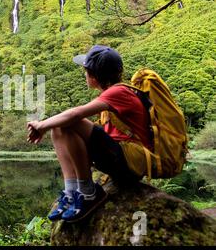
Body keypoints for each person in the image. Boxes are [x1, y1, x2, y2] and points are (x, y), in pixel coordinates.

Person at [27, 45, 152, 223]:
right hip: (121, 161)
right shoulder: (112, 94)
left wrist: (41, 125)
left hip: (130, 164)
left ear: (93, 75)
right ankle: (71, 191)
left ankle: (88, 192)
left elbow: (76, 115)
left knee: (70, 121)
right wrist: (49, 125)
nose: (84, 75)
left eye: (85, 71)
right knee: (59, 126)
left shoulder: (119, 92)